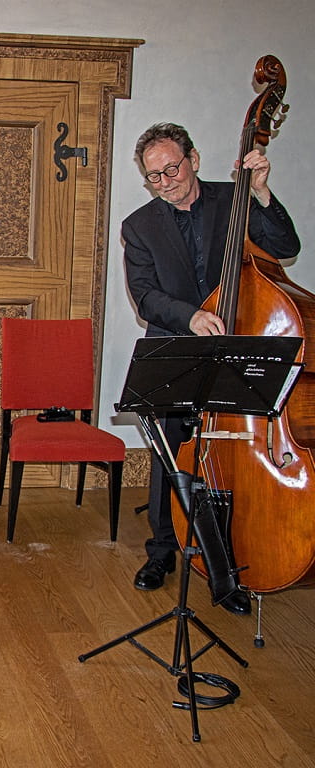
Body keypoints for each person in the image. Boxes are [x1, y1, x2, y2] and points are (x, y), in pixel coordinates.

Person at [122, 123, 300, 614]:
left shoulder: (235, 200)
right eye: (153, 176)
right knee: (168, 448)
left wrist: (262, 193)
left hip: (243, 344)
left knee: (239, 455)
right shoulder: (139, 226)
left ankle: (231, 563)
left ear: (194, 159)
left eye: (171, 169)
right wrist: (191, 315)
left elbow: (286, 247)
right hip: (179, 343)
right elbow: (145, 296)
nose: (165, 182)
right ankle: (162, 553)